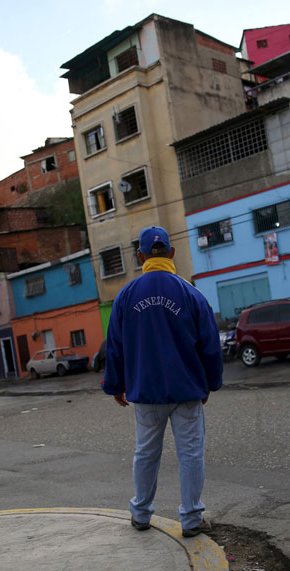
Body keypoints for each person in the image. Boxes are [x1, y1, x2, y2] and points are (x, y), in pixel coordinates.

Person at [102, 226, 224, 538]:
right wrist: (210, 383)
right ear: (170, 253)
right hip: (186, 390)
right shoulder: (191, 294)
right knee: (190, 454)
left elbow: (115, 345)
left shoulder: (126, 297)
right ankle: (192, 519)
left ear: (140, 256)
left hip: (145, 391)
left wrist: (116, 385)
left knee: (145, 453)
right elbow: (210, 343)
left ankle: (141, 513)